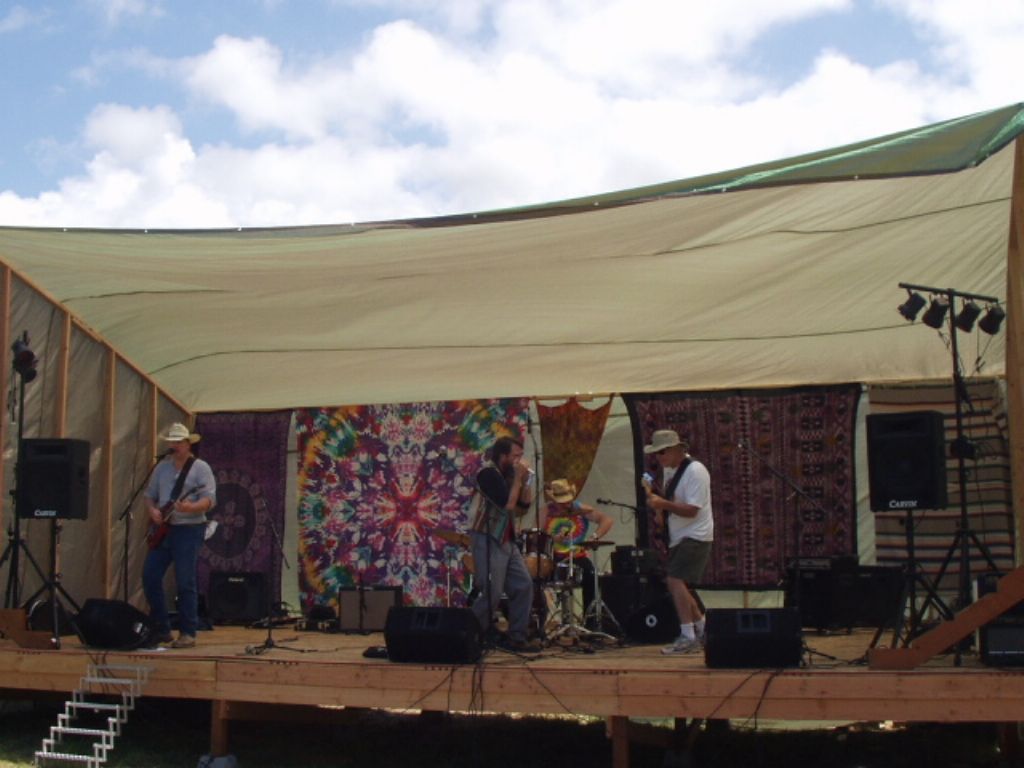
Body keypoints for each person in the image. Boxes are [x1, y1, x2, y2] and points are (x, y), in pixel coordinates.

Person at [142, 422, 217, 649]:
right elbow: (149, 495)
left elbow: (209, 500)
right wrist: (152, 511)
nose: (174, 446)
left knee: (185, 581)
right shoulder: (161, 468)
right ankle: (162, 627)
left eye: (178, 442)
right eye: (172, 442)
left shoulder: (201, 468)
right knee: (150, 575)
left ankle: (188, 632)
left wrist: (190, 508)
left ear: (187, 444)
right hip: (165, 529)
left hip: (189, 528)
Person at [642, 429, 713, 655]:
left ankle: (688, 634)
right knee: (681, 584)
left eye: (662, 452)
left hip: (695, 534)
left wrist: (662, 505)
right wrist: (660, 511)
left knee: (674, 581)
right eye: (656, 453)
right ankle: (703, 629)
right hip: (679, 535)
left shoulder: (695, 471)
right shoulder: (670, 470)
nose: (659, 457)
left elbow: (692, 510)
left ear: (676, 449)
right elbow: (671, 501)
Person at [469, 435, 540, 653]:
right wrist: (518, 478)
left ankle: (517, 636)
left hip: (507, 539)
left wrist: (526, 481)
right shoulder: (488, 474)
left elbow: (523, 506)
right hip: (488, 537)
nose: (519, 460)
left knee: (523, 585)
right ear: (503, 456)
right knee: (492, 591)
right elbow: (507, 505)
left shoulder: (508, 475)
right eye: (516, 456)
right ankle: (469, 632)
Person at [539, 478, 613, 617]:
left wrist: (594, 537)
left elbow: (607, 520)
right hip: (553, 557)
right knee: (537, 576)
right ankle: (543, 618)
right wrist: (551, 538)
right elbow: (536, 535)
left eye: (568, 501)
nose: (566, 505)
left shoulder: (580, 508)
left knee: (591, 575)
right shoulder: (546, 511)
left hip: (577, 556)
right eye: (562, 502)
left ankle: (590, 619)